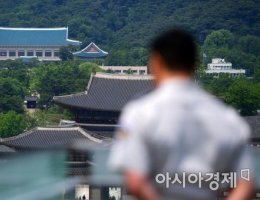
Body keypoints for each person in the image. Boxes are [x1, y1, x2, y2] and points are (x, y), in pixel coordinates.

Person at [108, 29, 254, 200]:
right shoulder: (227, 118)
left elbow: (135, 181)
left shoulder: (140, 113)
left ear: (156, 62)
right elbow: (246, 182)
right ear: (194, 64)